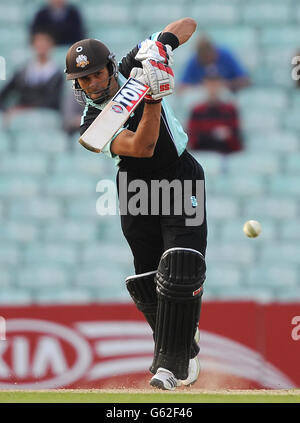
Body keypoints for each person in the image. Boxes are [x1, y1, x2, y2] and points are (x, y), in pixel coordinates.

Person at [65, 17, 207, 391]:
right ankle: (185, 348)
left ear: (111, 67)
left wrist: (163, 45)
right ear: (77, 85)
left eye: (97, 74)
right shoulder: (92, 123)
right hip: (135, 188)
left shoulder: (132, 66)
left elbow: (188, 24)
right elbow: (142, 148)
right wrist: (154, 97)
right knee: (148, 282)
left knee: (180, 265)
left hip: (179, 175)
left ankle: (171, 366)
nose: (93, 83)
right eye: (84, 79)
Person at [0, 32, 63, 122]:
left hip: (44, 117)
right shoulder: (23, 71)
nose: (42, 46)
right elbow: (4, 93)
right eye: (39, 42)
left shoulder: (56, 73)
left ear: (51, 46)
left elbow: (52, 101)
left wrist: (25, 109)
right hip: (21, 115)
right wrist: (6, 110)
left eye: (45, 42)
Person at [187, 71, 243, 154]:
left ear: (221, 86)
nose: (213, 88)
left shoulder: (230, 110)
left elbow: (237, 142)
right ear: (204, 86)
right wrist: (214, 135)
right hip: (202, 156)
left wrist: (227, 136)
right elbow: (193, 141)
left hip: (226, 156)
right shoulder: (197, 111)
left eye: (215, 84)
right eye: (209, 84)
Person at [179, 35, 251, 93]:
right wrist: (200, 88)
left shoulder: (225, 55)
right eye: (204, 58)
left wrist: (224, 85)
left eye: (209, 56)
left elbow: (245, 81)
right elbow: (182, 87)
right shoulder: (194, 61)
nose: (208, 61)